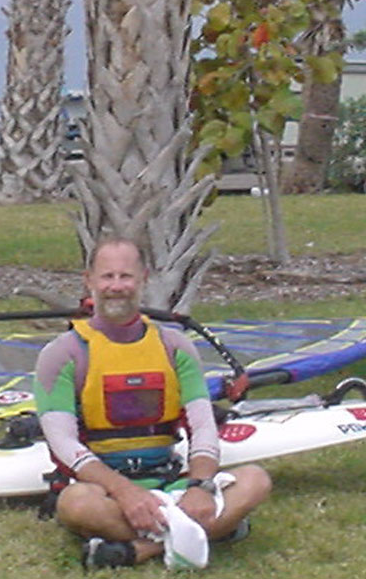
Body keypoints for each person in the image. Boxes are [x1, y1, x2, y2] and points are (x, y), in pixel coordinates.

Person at [33, 235, 271, 569]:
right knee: (75, 504)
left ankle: (138, 550)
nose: (117, 286)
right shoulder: (61, 354)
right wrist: (125, 492)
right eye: (107, 276)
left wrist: (201, 486)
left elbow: (202, 426)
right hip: (104, 492)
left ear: (144, 278)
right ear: (89, 281)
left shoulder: (175, 346)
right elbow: (63, 443)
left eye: (126, 276)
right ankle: (212, 531)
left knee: (255, 480)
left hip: (170, 483)